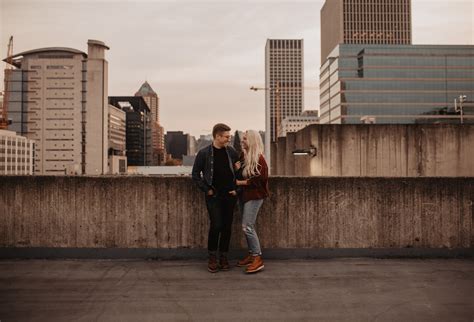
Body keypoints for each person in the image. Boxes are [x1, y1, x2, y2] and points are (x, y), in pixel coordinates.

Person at [192, 123, 240, 273]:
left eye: (229, 136)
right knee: (216, 225)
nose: (229, 139)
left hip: (230, 196)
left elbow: (239, 173)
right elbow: (195, 175)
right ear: (217, 136)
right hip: (214, 196)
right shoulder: (204, 153)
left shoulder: (231, 152)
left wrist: (236, 189)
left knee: (227, 227)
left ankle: (223, 257)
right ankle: (212, 257)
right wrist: (207, 190)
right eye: (226, 137)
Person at [235, 130, 269, 274]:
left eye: (245, 139)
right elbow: (238, 176)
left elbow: (259, 181)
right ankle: (251, 254)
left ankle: (257, 258)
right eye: (242, 138)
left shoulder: (259, 159)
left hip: (255, 196)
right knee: (246, 227)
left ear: (252, 141)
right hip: (244, 195)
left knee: (247, 226)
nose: (242, 141)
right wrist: (238, 169)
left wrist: (241, 183)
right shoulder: (244, 156)